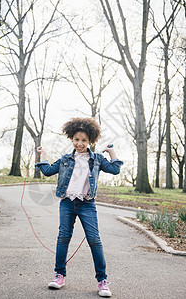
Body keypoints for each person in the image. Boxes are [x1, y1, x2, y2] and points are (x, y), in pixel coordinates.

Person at [35, 117, 123, 297]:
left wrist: (112, 152)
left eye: (83, 140)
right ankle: (59, 275)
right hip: (67, 203)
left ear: (90, 140)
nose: (80, 143)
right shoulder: (65, 159)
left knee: (94, 240)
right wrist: (43, 155)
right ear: (71, 139)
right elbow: (47, 171)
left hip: (87, 204)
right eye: (76, 139)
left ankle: (102, 281)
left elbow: (115, 170)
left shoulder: (97, 159)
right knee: (63, 238)